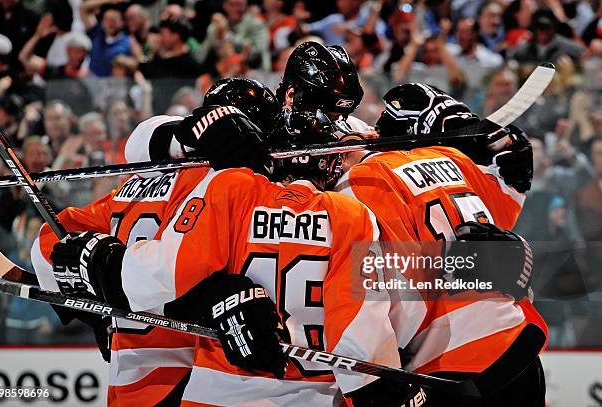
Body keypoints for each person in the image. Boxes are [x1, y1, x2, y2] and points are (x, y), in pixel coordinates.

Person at [38, 105, 409, 406]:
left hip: (187, 386)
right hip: (308, 391)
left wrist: (98, 282)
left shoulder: (211, 187)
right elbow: (367, 337)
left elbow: (156, 274)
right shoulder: (351, 210)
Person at [334, 83, 547, 405]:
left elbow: (397, 288)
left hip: (453, 364)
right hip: (517, 341)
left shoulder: (355, 188)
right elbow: (504, 210)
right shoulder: (448, 157)